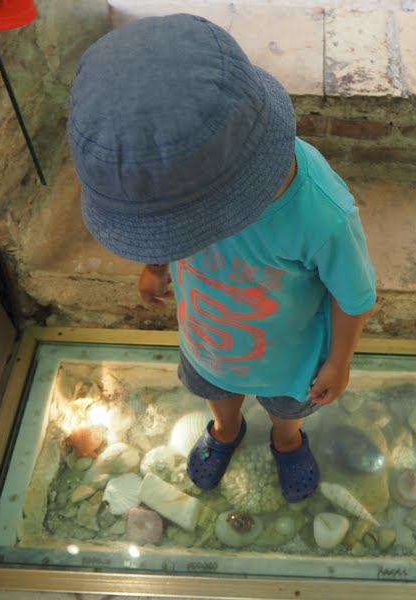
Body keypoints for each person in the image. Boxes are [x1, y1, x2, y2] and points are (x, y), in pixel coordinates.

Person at [67, 14, 376, 503]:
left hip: (291, 363)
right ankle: (225, 430)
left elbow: (353, 295)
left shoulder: (321, 213)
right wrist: (155, 266)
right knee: (216, 394)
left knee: (287, 411)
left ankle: (286, 440)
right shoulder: (182, 187)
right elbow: (159, 219)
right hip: (206, 344)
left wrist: (339, 362)